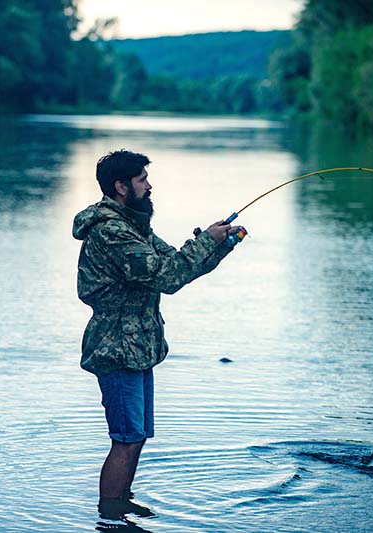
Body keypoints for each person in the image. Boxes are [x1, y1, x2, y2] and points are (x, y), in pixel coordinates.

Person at [72, 149, 244, 519]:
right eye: (141, 180)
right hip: (115, 349)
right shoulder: (112, 232)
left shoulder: (135, 227)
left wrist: (218, 244)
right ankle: (111, 515)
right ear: (121, 186)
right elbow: (165, 276)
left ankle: (119, 506)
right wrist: (206, 242)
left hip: (137, 348)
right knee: (126, 438)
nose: (149, 186)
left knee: (136, 437)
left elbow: (175, 269)